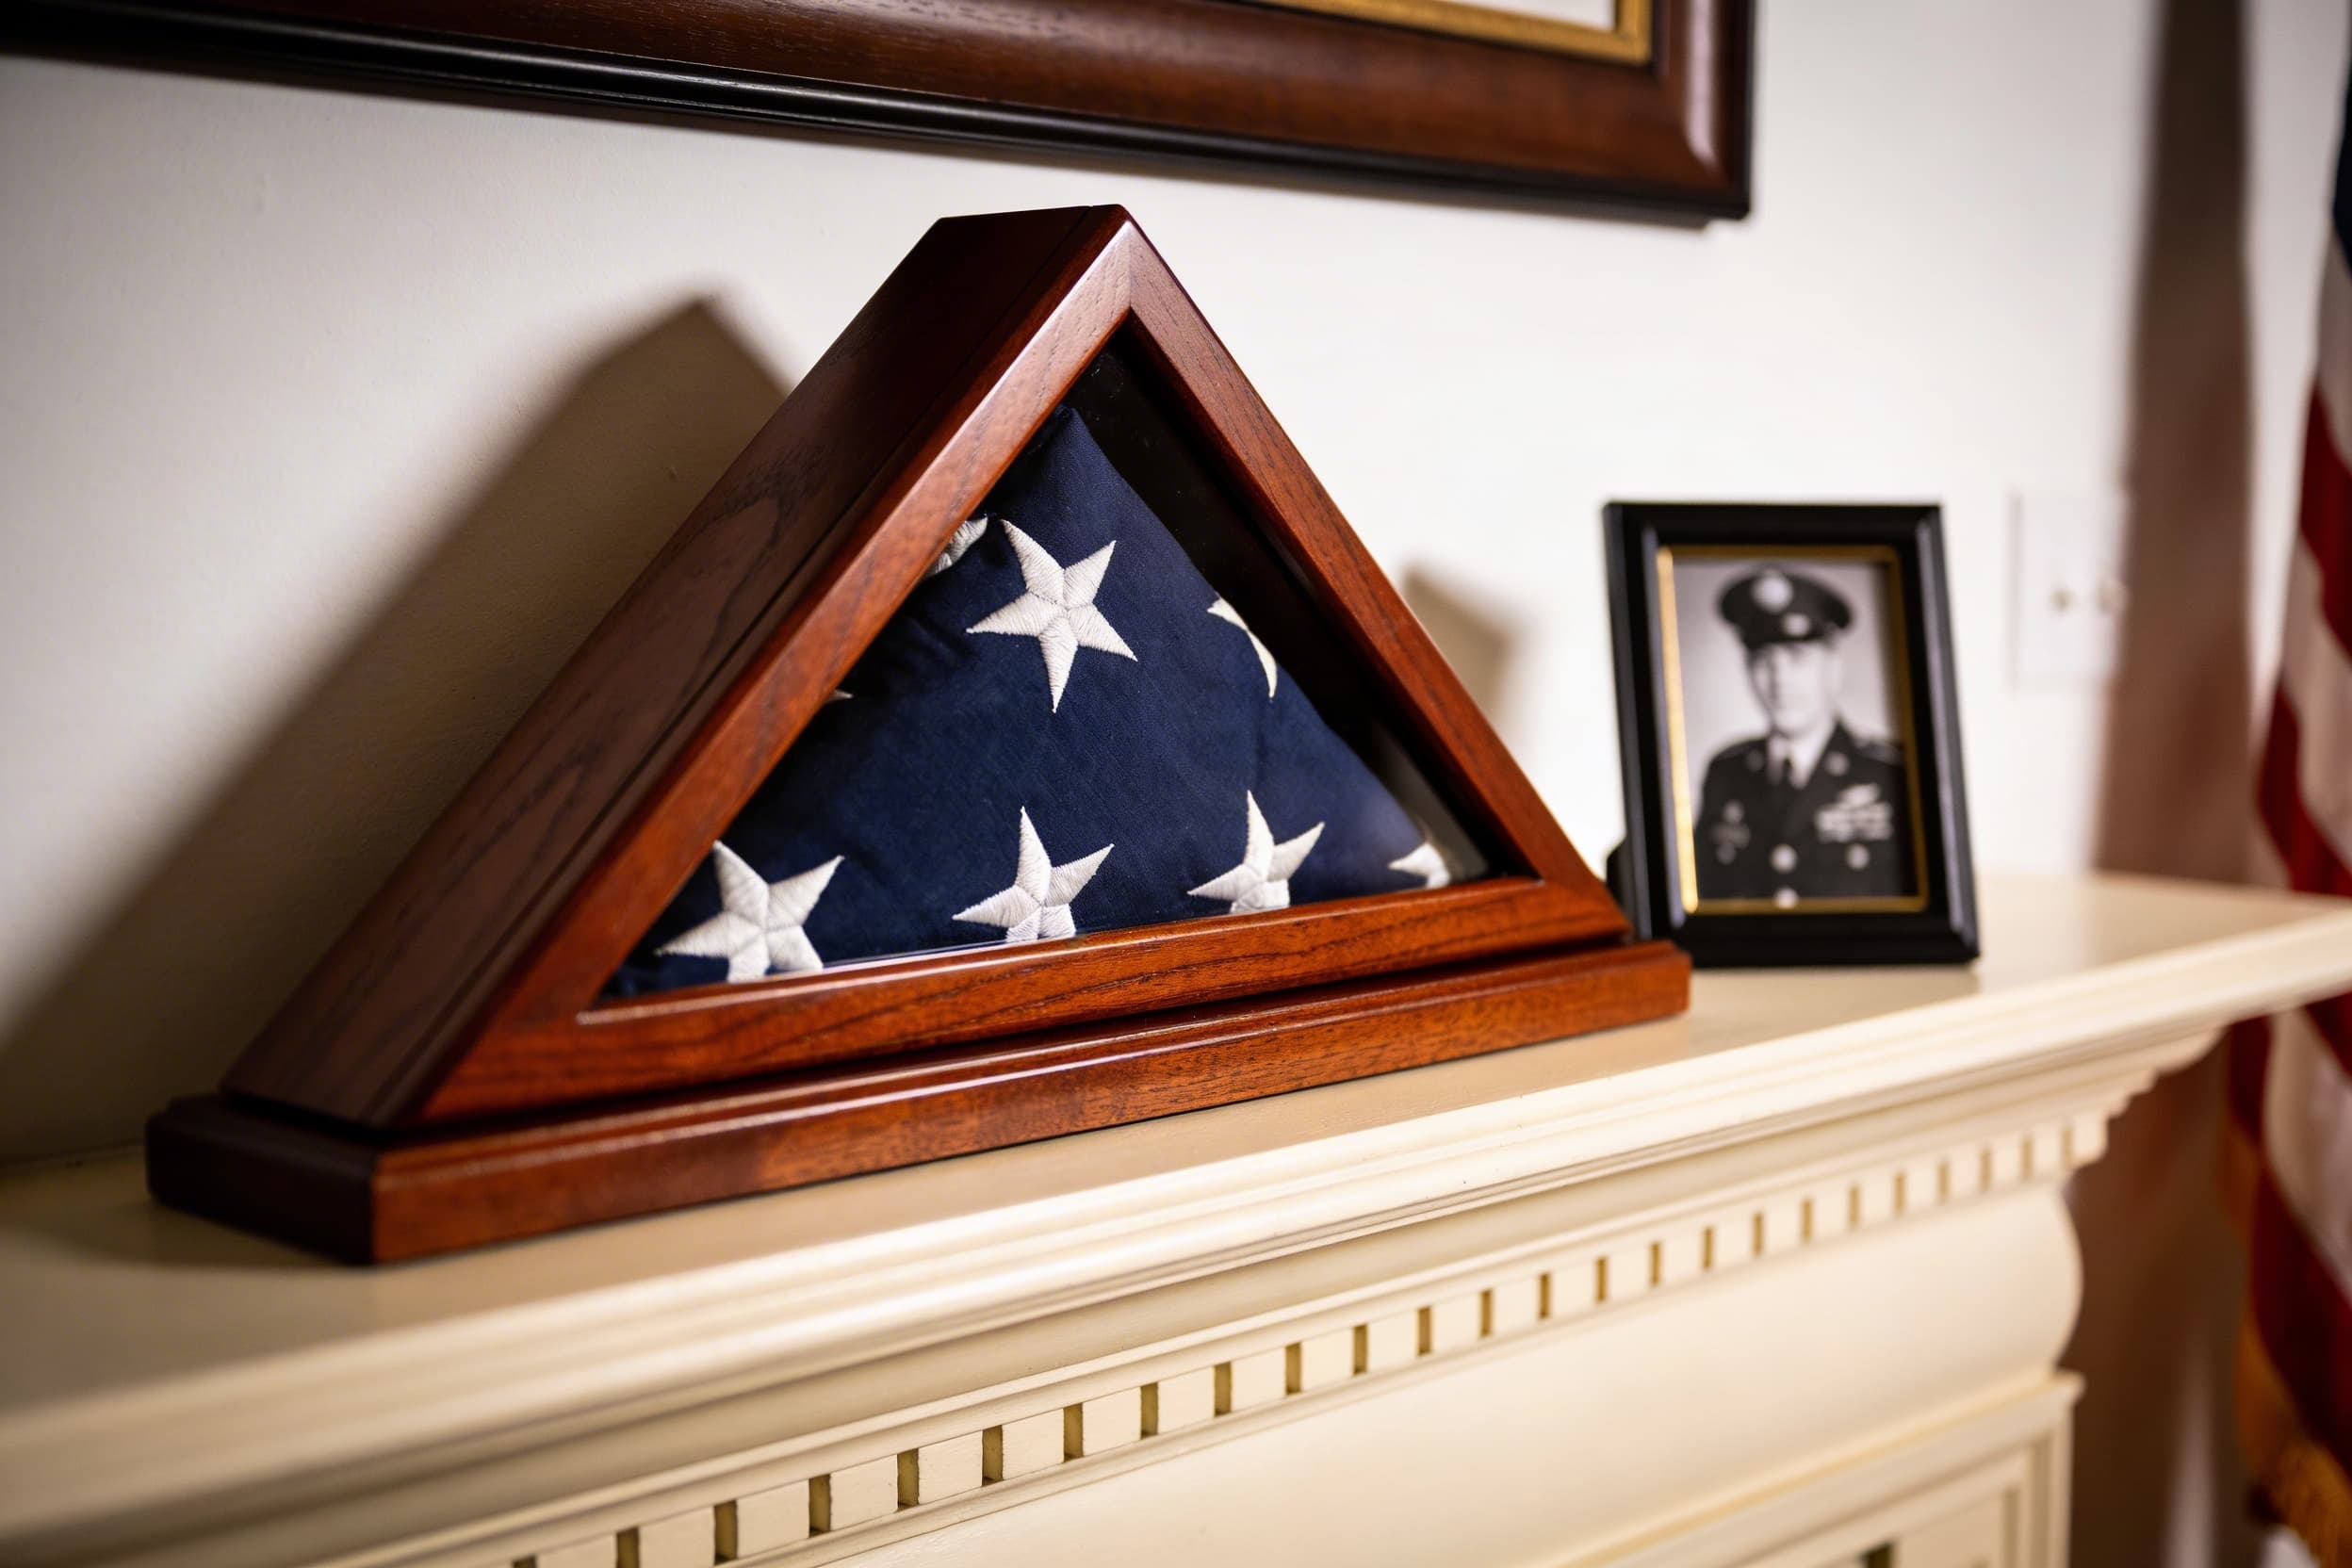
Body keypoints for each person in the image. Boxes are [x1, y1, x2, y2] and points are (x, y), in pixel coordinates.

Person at [1692, 566, 1913, 906]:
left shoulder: (1889, 774)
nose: (1779, 681)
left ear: (1832, 666)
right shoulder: (1726, 773)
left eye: (1797, 659)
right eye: (1763, 661)